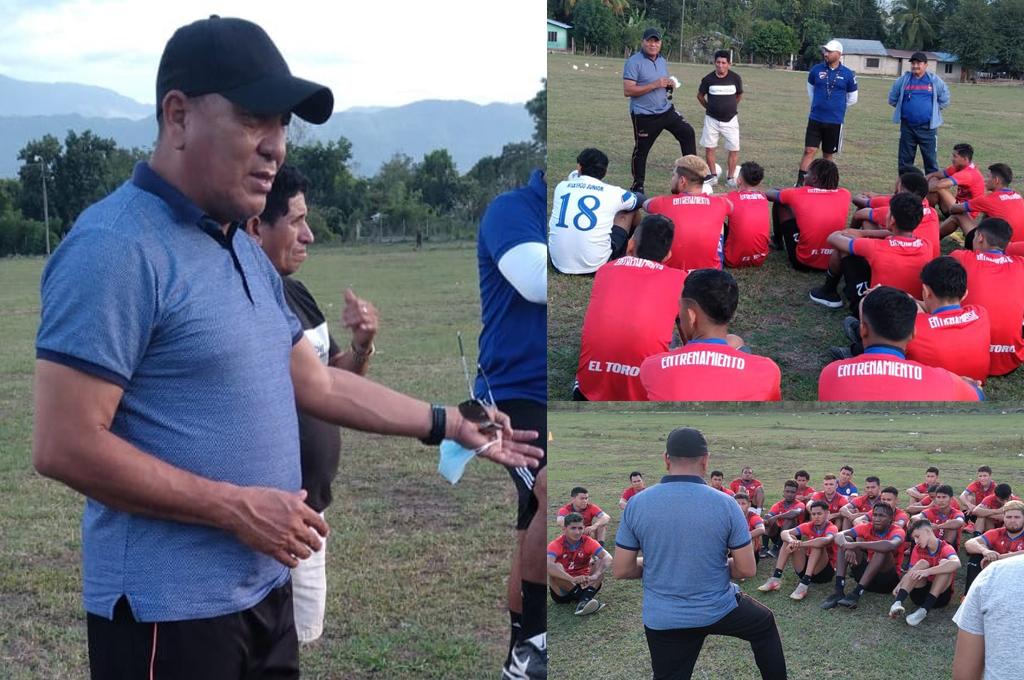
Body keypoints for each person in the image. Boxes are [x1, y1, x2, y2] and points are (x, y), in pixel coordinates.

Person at [31, 16, 542, 679]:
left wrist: (448, 421)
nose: (275, 147)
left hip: (264, 592)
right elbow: (64, 443)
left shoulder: (240, 246)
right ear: (178, 117)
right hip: (170, 616)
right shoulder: (115, 247)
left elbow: (317, 383)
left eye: (282, 126)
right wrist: (234, 507)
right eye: (253, 120)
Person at [244, 164, 379, 643]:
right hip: (265, 520)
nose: (310, 235)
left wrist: (361, 347)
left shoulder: (295, 292)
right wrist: (438, 423)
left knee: (295, 649)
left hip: (309, 514)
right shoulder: (244, 301)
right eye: (297, 221)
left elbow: (328, 382)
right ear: (257, 226)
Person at [613, 427, 786, 680]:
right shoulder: (726, 504)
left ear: (666, 459)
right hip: (719, 608)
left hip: (664, 618)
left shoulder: (637, 503)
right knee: (764, 624)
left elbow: (622, 569)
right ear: (705, 460)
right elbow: (746, 569)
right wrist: (705, 566)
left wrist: (662, 565)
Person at [476, 159, 548, 679]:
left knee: (532, 519)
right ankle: (537, 644)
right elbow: (533, 282)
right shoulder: (512, 210)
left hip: (552, 394)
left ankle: (519, 657)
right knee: (548, 484)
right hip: (510, 396)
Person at [574, 215, 687, 401]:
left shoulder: (605, 270)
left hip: (587, 391)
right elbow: (689, 337)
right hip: (646, 393)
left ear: (630, 245)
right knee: (671, 340)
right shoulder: (680, 279)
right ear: (668, 256)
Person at [817, 286, 985, 401]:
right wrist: (961, 384)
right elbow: (978, 397)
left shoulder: (830, 374)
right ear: (913, 333)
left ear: (863, 330)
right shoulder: (943, 381)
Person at [639, 269, 782, 401]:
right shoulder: (767, 372)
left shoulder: (651, 368)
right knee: (737, 342)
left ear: (691, 316)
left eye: (680, 308)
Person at [810, 191, 931, 313]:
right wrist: (864, 233)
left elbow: (832, 238)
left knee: (842, 248)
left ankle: (828, 291)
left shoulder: (875, 247)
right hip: (911, 309)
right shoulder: (926, 244)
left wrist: (852, 235)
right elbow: (899, 237)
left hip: (875, 311)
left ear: (892, 219)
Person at [624, 27, 697, 194]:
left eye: (656, 41)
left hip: (666, 110)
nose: (653, 44)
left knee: (687, 132)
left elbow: (662, 83)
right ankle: (638, 185)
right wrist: (654, 85)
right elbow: (628, 90)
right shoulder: (634, 62)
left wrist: (669, 84)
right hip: (644, 115)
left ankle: (693, 176)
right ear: (643, 42)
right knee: (641, 150)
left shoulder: (662, 60)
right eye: (649, 41)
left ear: (660, 43)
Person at [950, 218, 1024, 376]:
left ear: (980, 237)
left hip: (966, 356)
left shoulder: (961, 258)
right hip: (1009, 359)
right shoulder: (1020, 264)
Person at [548, 148, 640, 274]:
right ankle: (631, 250)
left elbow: (574, 177)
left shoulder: (561, 186)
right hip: (595, 266)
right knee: (629, 210)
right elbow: (639, 200)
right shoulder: (613, 192)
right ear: (605, 171)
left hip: (557, 263)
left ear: (579, 167)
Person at [905, 257, 991, 383]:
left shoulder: (915, 327)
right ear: (965, 294)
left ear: (925, 291)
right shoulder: (980, 314)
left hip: (935, 391)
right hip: (974, 387)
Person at [644, 156, 732, 271]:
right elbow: (732, 205)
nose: (672, 179)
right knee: (719, 221)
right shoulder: (721, 203)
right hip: (710, 274)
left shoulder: (663, 203)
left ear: (682, 181)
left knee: (656, 218)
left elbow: (646, 204)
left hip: (672, 273)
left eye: (673, 176)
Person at [766, 159, 851, 272]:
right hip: (832, 261)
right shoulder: (845, 194)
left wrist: (786, 191)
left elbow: (769, 194)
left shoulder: (798, 193)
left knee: (781, 203)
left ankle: (777, 241)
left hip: (803, 262)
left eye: (807, 173)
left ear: (814, 179)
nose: (804, 176)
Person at [952, 548, 1024, 680]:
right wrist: (985, 550)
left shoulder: (994, 574)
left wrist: (1003, 557)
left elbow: (964, 675)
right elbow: (969, 543)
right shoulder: (994, 573)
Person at [797, 40, 858, 187]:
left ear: (839, 54)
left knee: (828, 154)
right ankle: (800, 184)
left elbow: (852, 98)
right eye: (825, 51)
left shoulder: (848, 74)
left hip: (835, 121)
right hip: (816, 118)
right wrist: (819, 105)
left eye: (829, 51)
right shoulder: (816, 70)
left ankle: (828, 185)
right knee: (809, 150)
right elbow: (810, 90)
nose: (826, 54)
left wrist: (837, 108)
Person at [822, 504, 905, 610]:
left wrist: (856, 545)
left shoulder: (897, 531)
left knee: (882, 550)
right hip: (866, 577)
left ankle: (856, 593)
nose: (877, 519)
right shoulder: (867, 527)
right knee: (847, 539)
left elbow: (891, 545)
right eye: (874, 515)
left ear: (891, 519)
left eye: (881, 516)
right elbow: (839, 535)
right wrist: (848, 547)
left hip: (886, 582)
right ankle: (839, 590)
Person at [758, 500, 838, 601]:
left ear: (827, 514)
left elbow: (825, 540)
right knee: (789, 539)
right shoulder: (809, 525)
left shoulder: (832, 527)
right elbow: (785, 533)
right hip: (805, 570)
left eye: (819, 514)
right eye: (813, 514)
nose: (816, 517)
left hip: (824, 573)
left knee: (818, 545)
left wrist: (801, 544)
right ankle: (775, 579)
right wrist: (792, 541)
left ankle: (803, 586)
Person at [888, 518, 961, 626]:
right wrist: (900, 584)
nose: (916, 541)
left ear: (928, 531)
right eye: (914, 538)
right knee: (922, 563)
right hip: (919, 595)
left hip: (939, 598)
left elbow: (957, 563)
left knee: (946, 563)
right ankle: (897, 603)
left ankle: (923, 611)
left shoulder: (945, 547)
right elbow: (911, 571)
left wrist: (928, 571)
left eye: (917, 536)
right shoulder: (917, 548)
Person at [888, 52, 950, 175]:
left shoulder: (934, 81)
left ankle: (931, 192)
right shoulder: (903, 80)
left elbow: (944, 99)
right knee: (905, 162)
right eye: (913, 63)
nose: (915, 66)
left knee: (930, 162)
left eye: (919, 63)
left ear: (926, 65)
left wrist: (931, 111)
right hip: (907, 127)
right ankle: (904, 189)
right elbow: (893, 99)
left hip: (928, 128)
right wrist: (907, 109)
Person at [547, 513, 613, 616]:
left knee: (600, 562)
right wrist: (572, 579)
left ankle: (583, 601)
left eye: (580, 528)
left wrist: (595, 575)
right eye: (573, 528)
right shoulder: (555, 544)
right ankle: (585, 598)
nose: (577, 532)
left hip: (585, 583)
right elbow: (548, 565)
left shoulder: (588, 541)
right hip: (564, 589)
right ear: (564, 529)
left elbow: (608, 557)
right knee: (555, 567)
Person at [697, 50, 743, 187]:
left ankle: (730, 178)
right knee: (710, 147)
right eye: (718, 62)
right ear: (714, 63)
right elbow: (700, 96)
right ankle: (713, 176)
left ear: (729, 64)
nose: (721, 66)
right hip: (712, 119)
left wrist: (730, 106)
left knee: (734, 148)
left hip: (731, 119)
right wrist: (709, 107)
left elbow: (739, 95)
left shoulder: (735, 78)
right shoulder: (708, 79)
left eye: (724, 63)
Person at [944, 163, 1024, 241]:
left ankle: (935, 239)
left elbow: (954, 209)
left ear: (996, 180)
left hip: (999, 248)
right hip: (1018, 247)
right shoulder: (1018, 196)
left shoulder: (989, 199)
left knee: (959, 215)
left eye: (988, 177)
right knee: (988, 214)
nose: (985, 180)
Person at [962, 500, 1024, 594]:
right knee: (976, 558)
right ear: (1004, 518)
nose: (1012, 520)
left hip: (1018, 576)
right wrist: (985, 551)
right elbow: (969, 543)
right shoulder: (998, 532)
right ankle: (969, 596)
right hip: (997, 573)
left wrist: (999, 558)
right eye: (1009, 517)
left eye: (1017, 517)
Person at [927, 143, 985, 232]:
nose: (952, 159)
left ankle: (926, 213)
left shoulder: (968, 174)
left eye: (955, 156)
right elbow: (936, 175)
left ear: (965, 159)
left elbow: (938, 186)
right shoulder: (959, 166)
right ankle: (927, 213)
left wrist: (918, 188)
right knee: (935, 181)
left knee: (938, 188)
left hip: (966, 214)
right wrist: (926, 179)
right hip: (956, 206)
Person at [724, 161, 770, 268]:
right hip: (759, 258)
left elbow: (713, 199)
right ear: (759, 182)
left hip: (732, 260)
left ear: (739, 180)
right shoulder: (763, 197)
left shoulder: (731, 197)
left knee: (717, 222)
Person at [759, 480, 807, 559]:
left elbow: (794, 514)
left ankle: (777, 548)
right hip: (778, 534)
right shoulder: (778, 505)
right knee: (767, 517)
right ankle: (764, 547)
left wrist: (777, 516)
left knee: (790, 519)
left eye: (792, 492)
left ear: (796, 493)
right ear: (783, 492)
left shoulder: (800, 504)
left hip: (792, 536)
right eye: (787, 491)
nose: (789, 494)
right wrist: (769, 519)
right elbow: (768, 518)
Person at [915, 484, 966, 549]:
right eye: (938, 497)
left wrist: (937, 526)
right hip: (931, 543)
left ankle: (944, 552)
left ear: (951, 499)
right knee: (915, 523)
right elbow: (915, 518)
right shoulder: (931, 510)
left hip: (948, 546)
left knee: (951, 525)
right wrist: (925, 524)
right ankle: (916, 550)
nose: (941, 500)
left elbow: (959, 522)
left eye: (944, 497)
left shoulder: (957, 513)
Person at [735, 492, 766, 562]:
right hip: (734, 549)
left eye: (743, 504)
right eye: (737, 504)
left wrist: (743, 537)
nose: (740, 506)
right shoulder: (730, 517)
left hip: (751, 553)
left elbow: (761, 529)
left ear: (749, 505)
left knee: (750, 540)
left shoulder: (753, 516)